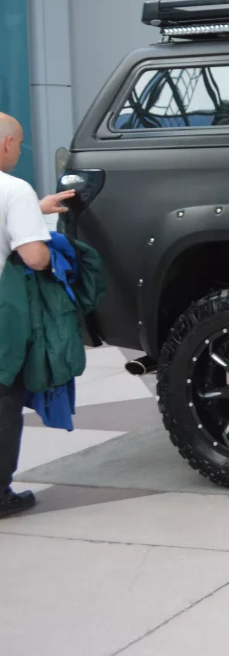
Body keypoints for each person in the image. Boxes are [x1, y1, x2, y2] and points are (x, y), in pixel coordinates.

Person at [0, 112, 75, 518]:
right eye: (20, 143)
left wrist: (38, 208)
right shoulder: (13, 189)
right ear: (8, 144)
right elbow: (35, 256)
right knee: (3, 400)